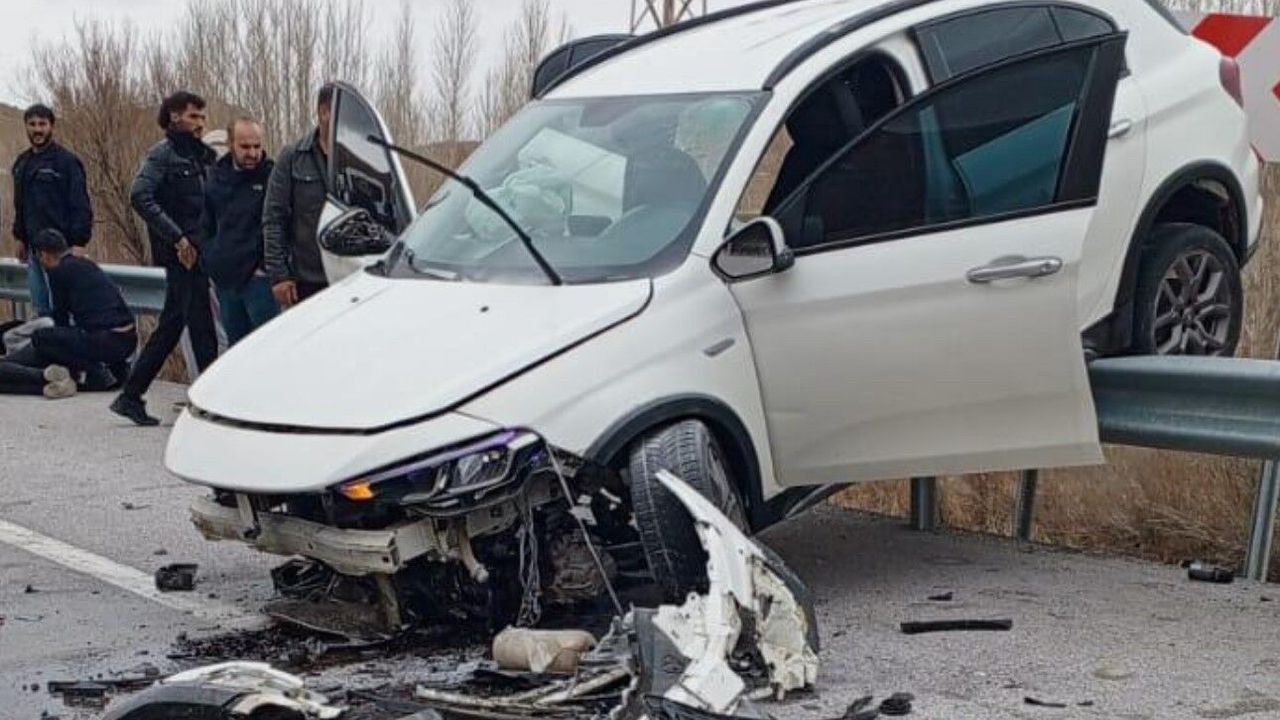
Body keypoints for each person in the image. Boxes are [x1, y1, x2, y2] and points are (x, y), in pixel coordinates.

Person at [110, 91, 218, 427]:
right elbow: (140, 195)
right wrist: (177, 238)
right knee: (195, 327)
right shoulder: (163, 154)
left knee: (183, 325)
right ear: (174, 117)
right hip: (181, 255)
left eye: (202, 117)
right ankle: (208, 403)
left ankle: (133, 395)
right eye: (194, 116)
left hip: (200, 252)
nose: (200, 123)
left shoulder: (202, 156)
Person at [0, 229, 136, 399]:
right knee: (60, 338)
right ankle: (111, 369)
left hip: (104, 340)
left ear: (44, 255)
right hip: (127, 341)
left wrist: (55, 350)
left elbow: (60, 318)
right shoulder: (86, 264)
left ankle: (96, 371)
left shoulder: (58, 271)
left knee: (42, 338)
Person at [11, 103, 94, 318]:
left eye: (42, 124)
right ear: (26, 126)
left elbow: (80, 203)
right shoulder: (22, 163)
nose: (37, 129)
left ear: (52, 126)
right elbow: (20, 204)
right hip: (34, 252)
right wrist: (20, 237)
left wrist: (79, 243)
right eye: (32, 124)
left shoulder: (66, 162)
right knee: (42, 311)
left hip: (62, 251)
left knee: (65, 312)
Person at [201, 117, 279, 345]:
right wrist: (212, 260)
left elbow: (280, 224)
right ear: (231, 144)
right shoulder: (216, 177)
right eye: (245, 147)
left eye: (257, 146)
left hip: (260, 282)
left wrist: (264, 268)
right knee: (237, 350)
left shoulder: (272, 176)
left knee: (267, 347)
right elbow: (206, 225)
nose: (252, 153)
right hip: (227, 282)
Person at [264, 83, 334, 309]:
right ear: (324, 112)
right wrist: (279, 275)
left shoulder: (357, 160)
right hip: (306, 280)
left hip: (349, 278)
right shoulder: (293, 157)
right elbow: (273, 217)